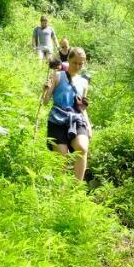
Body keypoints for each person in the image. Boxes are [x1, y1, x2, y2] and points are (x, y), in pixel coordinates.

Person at [41, 46, 91, 181]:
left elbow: (82, 108)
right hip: (57, 119)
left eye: (81, 63)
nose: (77, 66)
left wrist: (88, 125)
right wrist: (44, 90)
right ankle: (60, 192)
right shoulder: (57, 76)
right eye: (75, 62)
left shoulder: (84, 82)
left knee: (82, 147)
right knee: (61, 156)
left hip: (76, 118)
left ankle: (77, 188)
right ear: (68, 59)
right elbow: (45, 102)